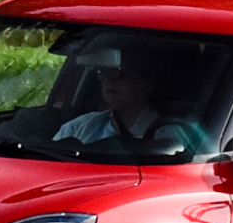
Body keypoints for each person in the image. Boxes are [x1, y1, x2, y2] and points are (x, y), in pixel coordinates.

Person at [54, 43, 200, 153]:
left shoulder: (168, 134)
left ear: (146, 82)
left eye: (119, 73)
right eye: (103, 72)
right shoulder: (78, 127)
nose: (109, 80)